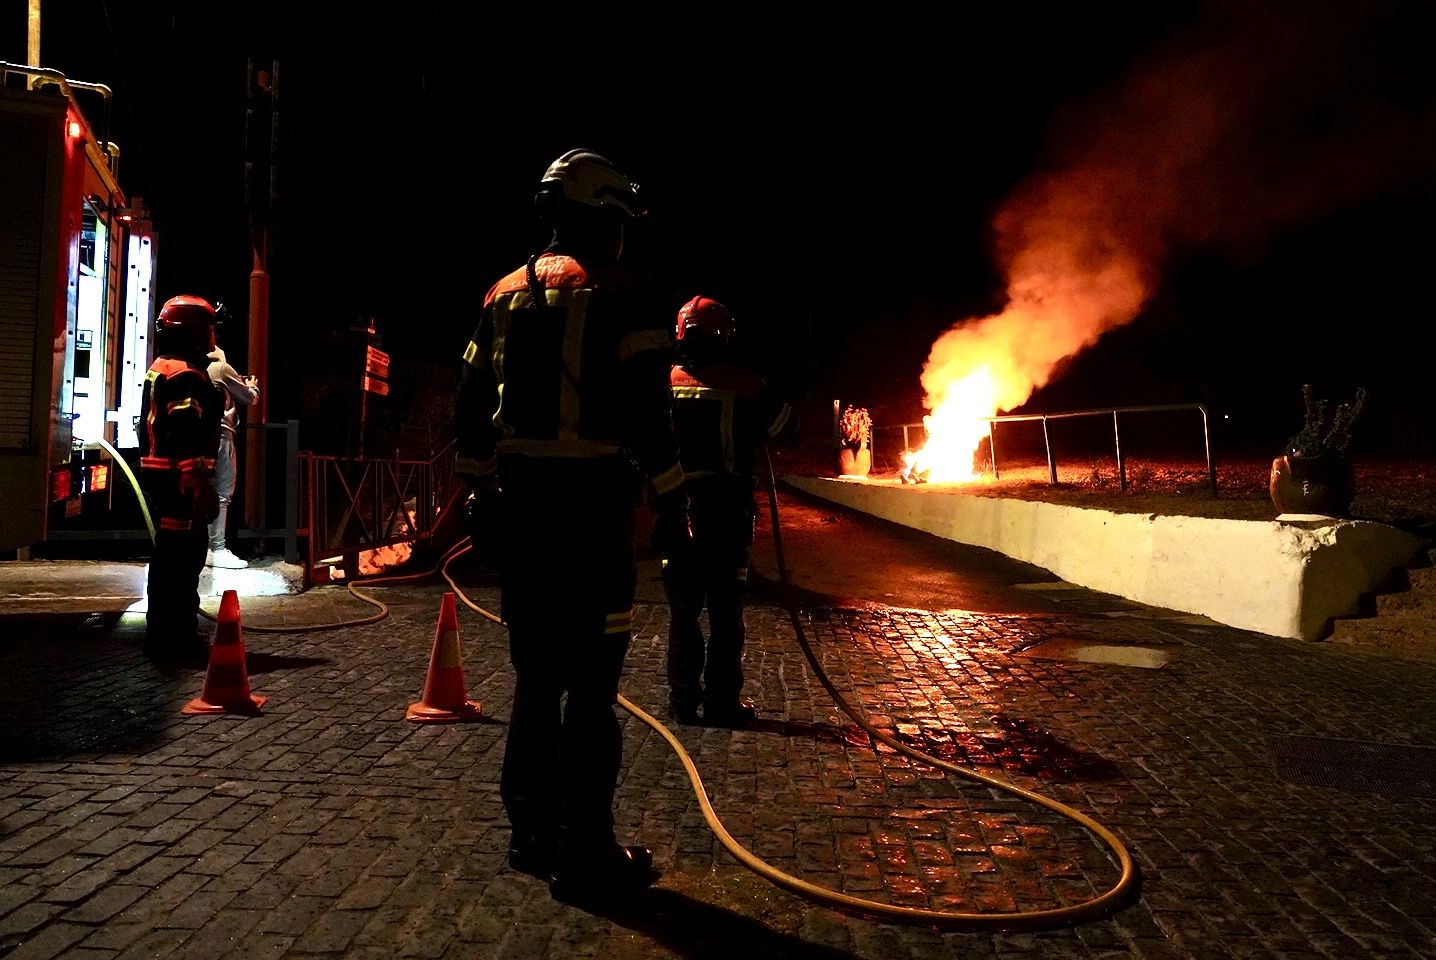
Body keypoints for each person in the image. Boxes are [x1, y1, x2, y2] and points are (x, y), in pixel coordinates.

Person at [452, 148, 690, 903]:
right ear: (599, 219)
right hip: (593, 516)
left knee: (534, 678)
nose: (624, 236)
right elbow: (653, 419)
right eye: (619, 221)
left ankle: (530, 832)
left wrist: (482, 488)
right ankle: (585, 854)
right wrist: (676, 504)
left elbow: (468, 411)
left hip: (523, 512)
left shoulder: (501, 294)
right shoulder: (624, 293)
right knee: (592, 689)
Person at [663, 296, 793, 728]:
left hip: (675, 511)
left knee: (683, 612)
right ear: (724, 337)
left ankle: (682, 702)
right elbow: (782, 425)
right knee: (724, 613)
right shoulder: (747, 384)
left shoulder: (663, 383)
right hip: (726, 513)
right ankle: (721, 701)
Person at [139, 295, 224, 659]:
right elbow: (186, 435)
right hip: (179, 481)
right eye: (208, 326)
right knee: (183, 559)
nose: (213, 334)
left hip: (162, 476)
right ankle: (177, 638)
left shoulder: (164, 367)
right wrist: (200, 487)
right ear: (191, 331)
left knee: (168, 558)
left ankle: (163, 634)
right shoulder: (188, 376)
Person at [205, 325, 260, 569]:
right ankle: (216, 548)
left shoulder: (193, 366)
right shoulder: (220, 367)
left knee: (201, 491)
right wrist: (252, 385)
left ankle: (203, 546)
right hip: (221, 435)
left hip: (200, 437)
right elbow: (249, 397)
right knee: (222, 493)